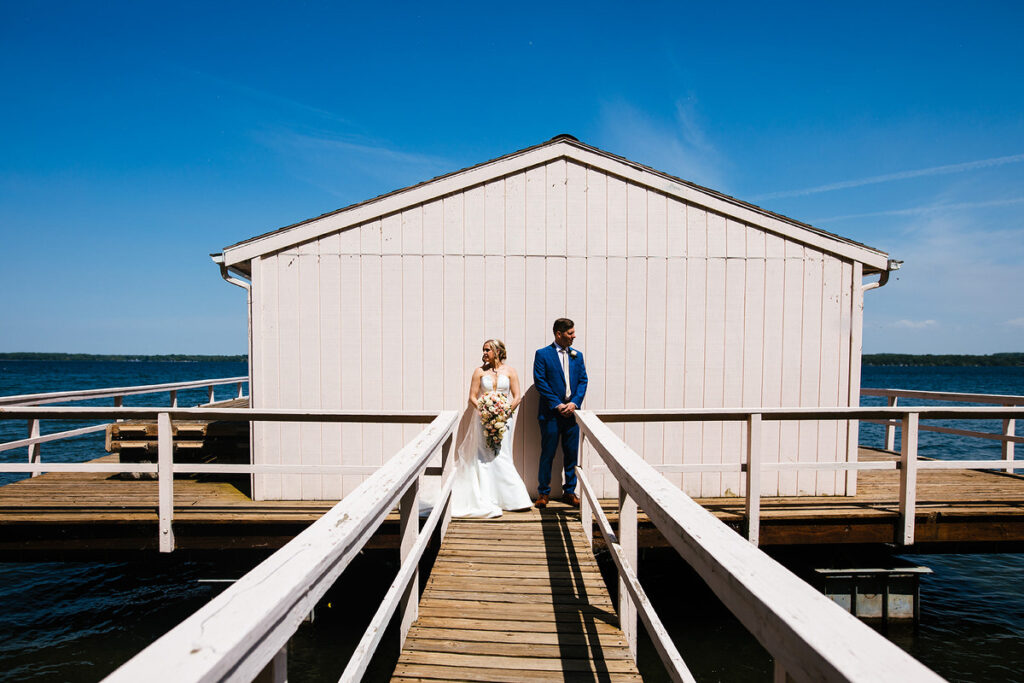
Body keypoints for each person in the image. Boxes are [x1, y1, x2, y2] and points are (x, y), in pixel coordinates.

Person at [450, 339, 533, 518]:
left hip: (505, 419)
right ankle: (486, 497)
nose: (484, 353)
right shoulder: (479, 372)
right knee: (484, 455)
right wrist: (484, 410)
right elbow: (472, 396)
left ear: (497, 351)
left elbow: (517, 396)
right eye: (484, 350)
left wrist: (505, 412)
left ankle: (511, 499)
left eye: (487, 350)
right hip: (484, 419)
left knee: (502, 454)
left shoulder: (510, 371)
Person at [533, 318, 588, 508]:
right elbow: (540, 382)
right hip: (551, 414)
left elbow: (583, 381)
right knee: (548, 453)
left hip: (571, 414)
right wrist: (557, 404)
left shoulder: (577, 355)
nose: (574, 336)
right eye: (570, 333)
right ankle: (543, 493)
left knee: (571, 454)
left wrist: (574, 403)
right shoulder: (542, 354)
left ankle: (570, 491)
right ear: (559, 334)